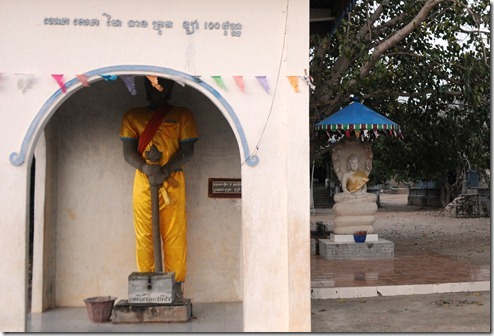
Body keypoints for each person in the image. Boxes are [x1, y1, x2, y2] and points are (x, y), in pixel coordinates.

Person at [119, 76, 199, 301]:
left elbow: (188, 151)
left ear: (172, 87)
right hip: (144, 180)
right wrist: (145, 166)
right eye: (151, 83)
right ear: (145, 86)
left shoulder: (182, 115)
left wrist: (165, 169)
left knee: (174, 234)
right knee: (145, 234)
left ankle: (176, 287)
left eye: (164, 83)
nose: (157, 87)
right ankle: (147, 286)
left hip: (172, 180)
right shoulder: (133, 116)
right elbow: (128, 152)